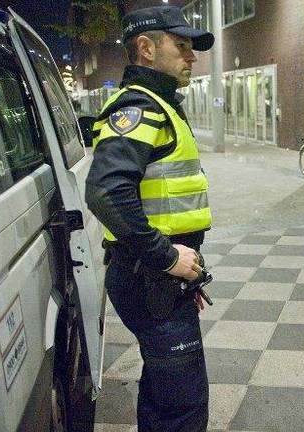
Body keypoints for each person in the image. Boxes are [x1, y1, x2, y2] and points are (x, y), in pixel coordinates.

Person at [85, 6, 214, 431]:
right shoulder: (141, 107)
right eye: (181, 46)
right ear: (146, 48)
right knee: (184, 406)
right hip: (149, 276)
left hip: (157, 277)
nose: (191, 56)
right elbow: (106, 193)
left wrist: (181, 270)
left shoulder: (160, 105)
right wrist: (165, 259)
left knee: (162, 391)